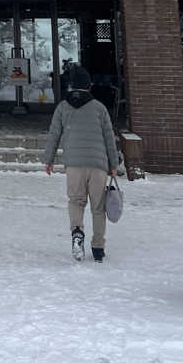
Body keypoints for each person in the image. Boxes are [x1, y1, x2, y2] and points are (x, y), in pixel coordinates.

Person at [43, 65, 119, 263]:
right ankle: (98, 247)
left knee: (76, 202)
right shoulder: (99, 108)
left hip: (74, 165)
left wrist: (48, 160)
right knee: (98, 207)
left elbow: (54, 134)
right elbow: (109, 138)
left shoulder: (62, 107)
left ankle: (77, 232)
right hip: (98, 165)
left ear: (70, 86)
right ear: (89, 86)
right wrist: (114, 164)